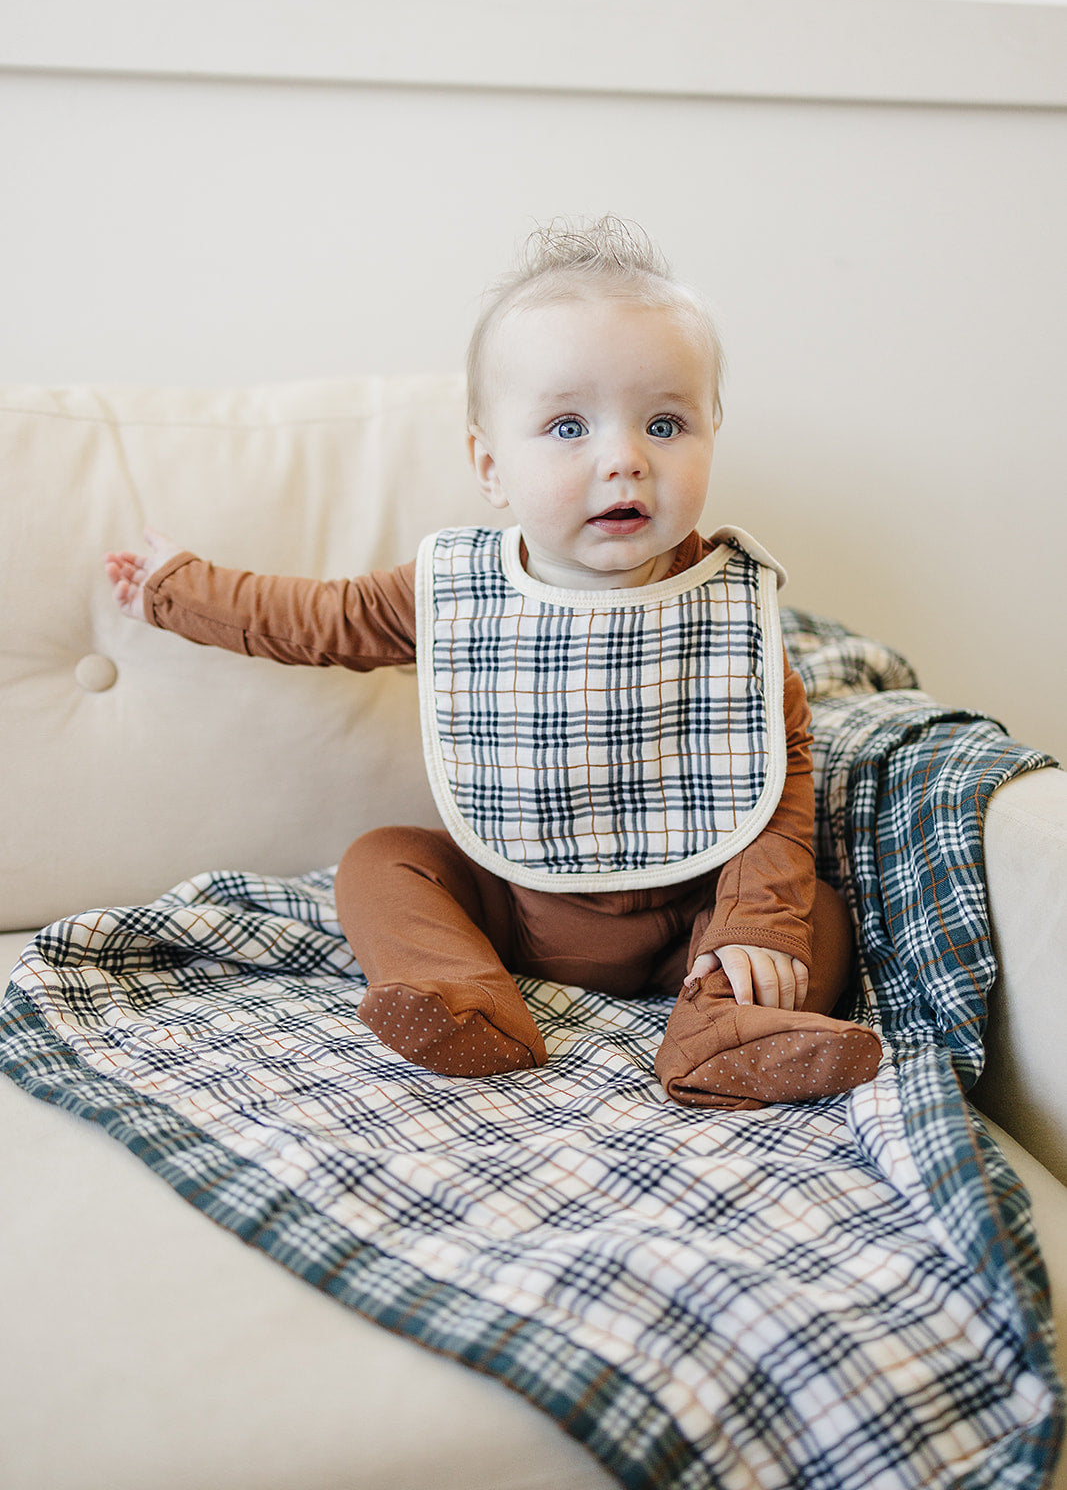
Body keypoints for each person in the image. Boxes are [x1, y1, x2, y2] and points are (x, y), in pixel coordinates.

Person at [105, 216, 882, 1110]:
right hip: (511, 914)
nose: (623, 459)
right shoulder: (456, 587)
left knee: (812, 911)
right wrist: (177, 587)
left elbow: (776, 786)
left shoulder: (725, 607)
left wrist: (756, 927)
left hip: (687, 922)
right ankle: (465, 1000)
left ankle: (719, 1028)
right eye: (566, 426)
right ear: (490, 464)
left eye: (665, 423)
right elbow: (318, 619)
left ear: (711, 434)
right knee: (382, 860)